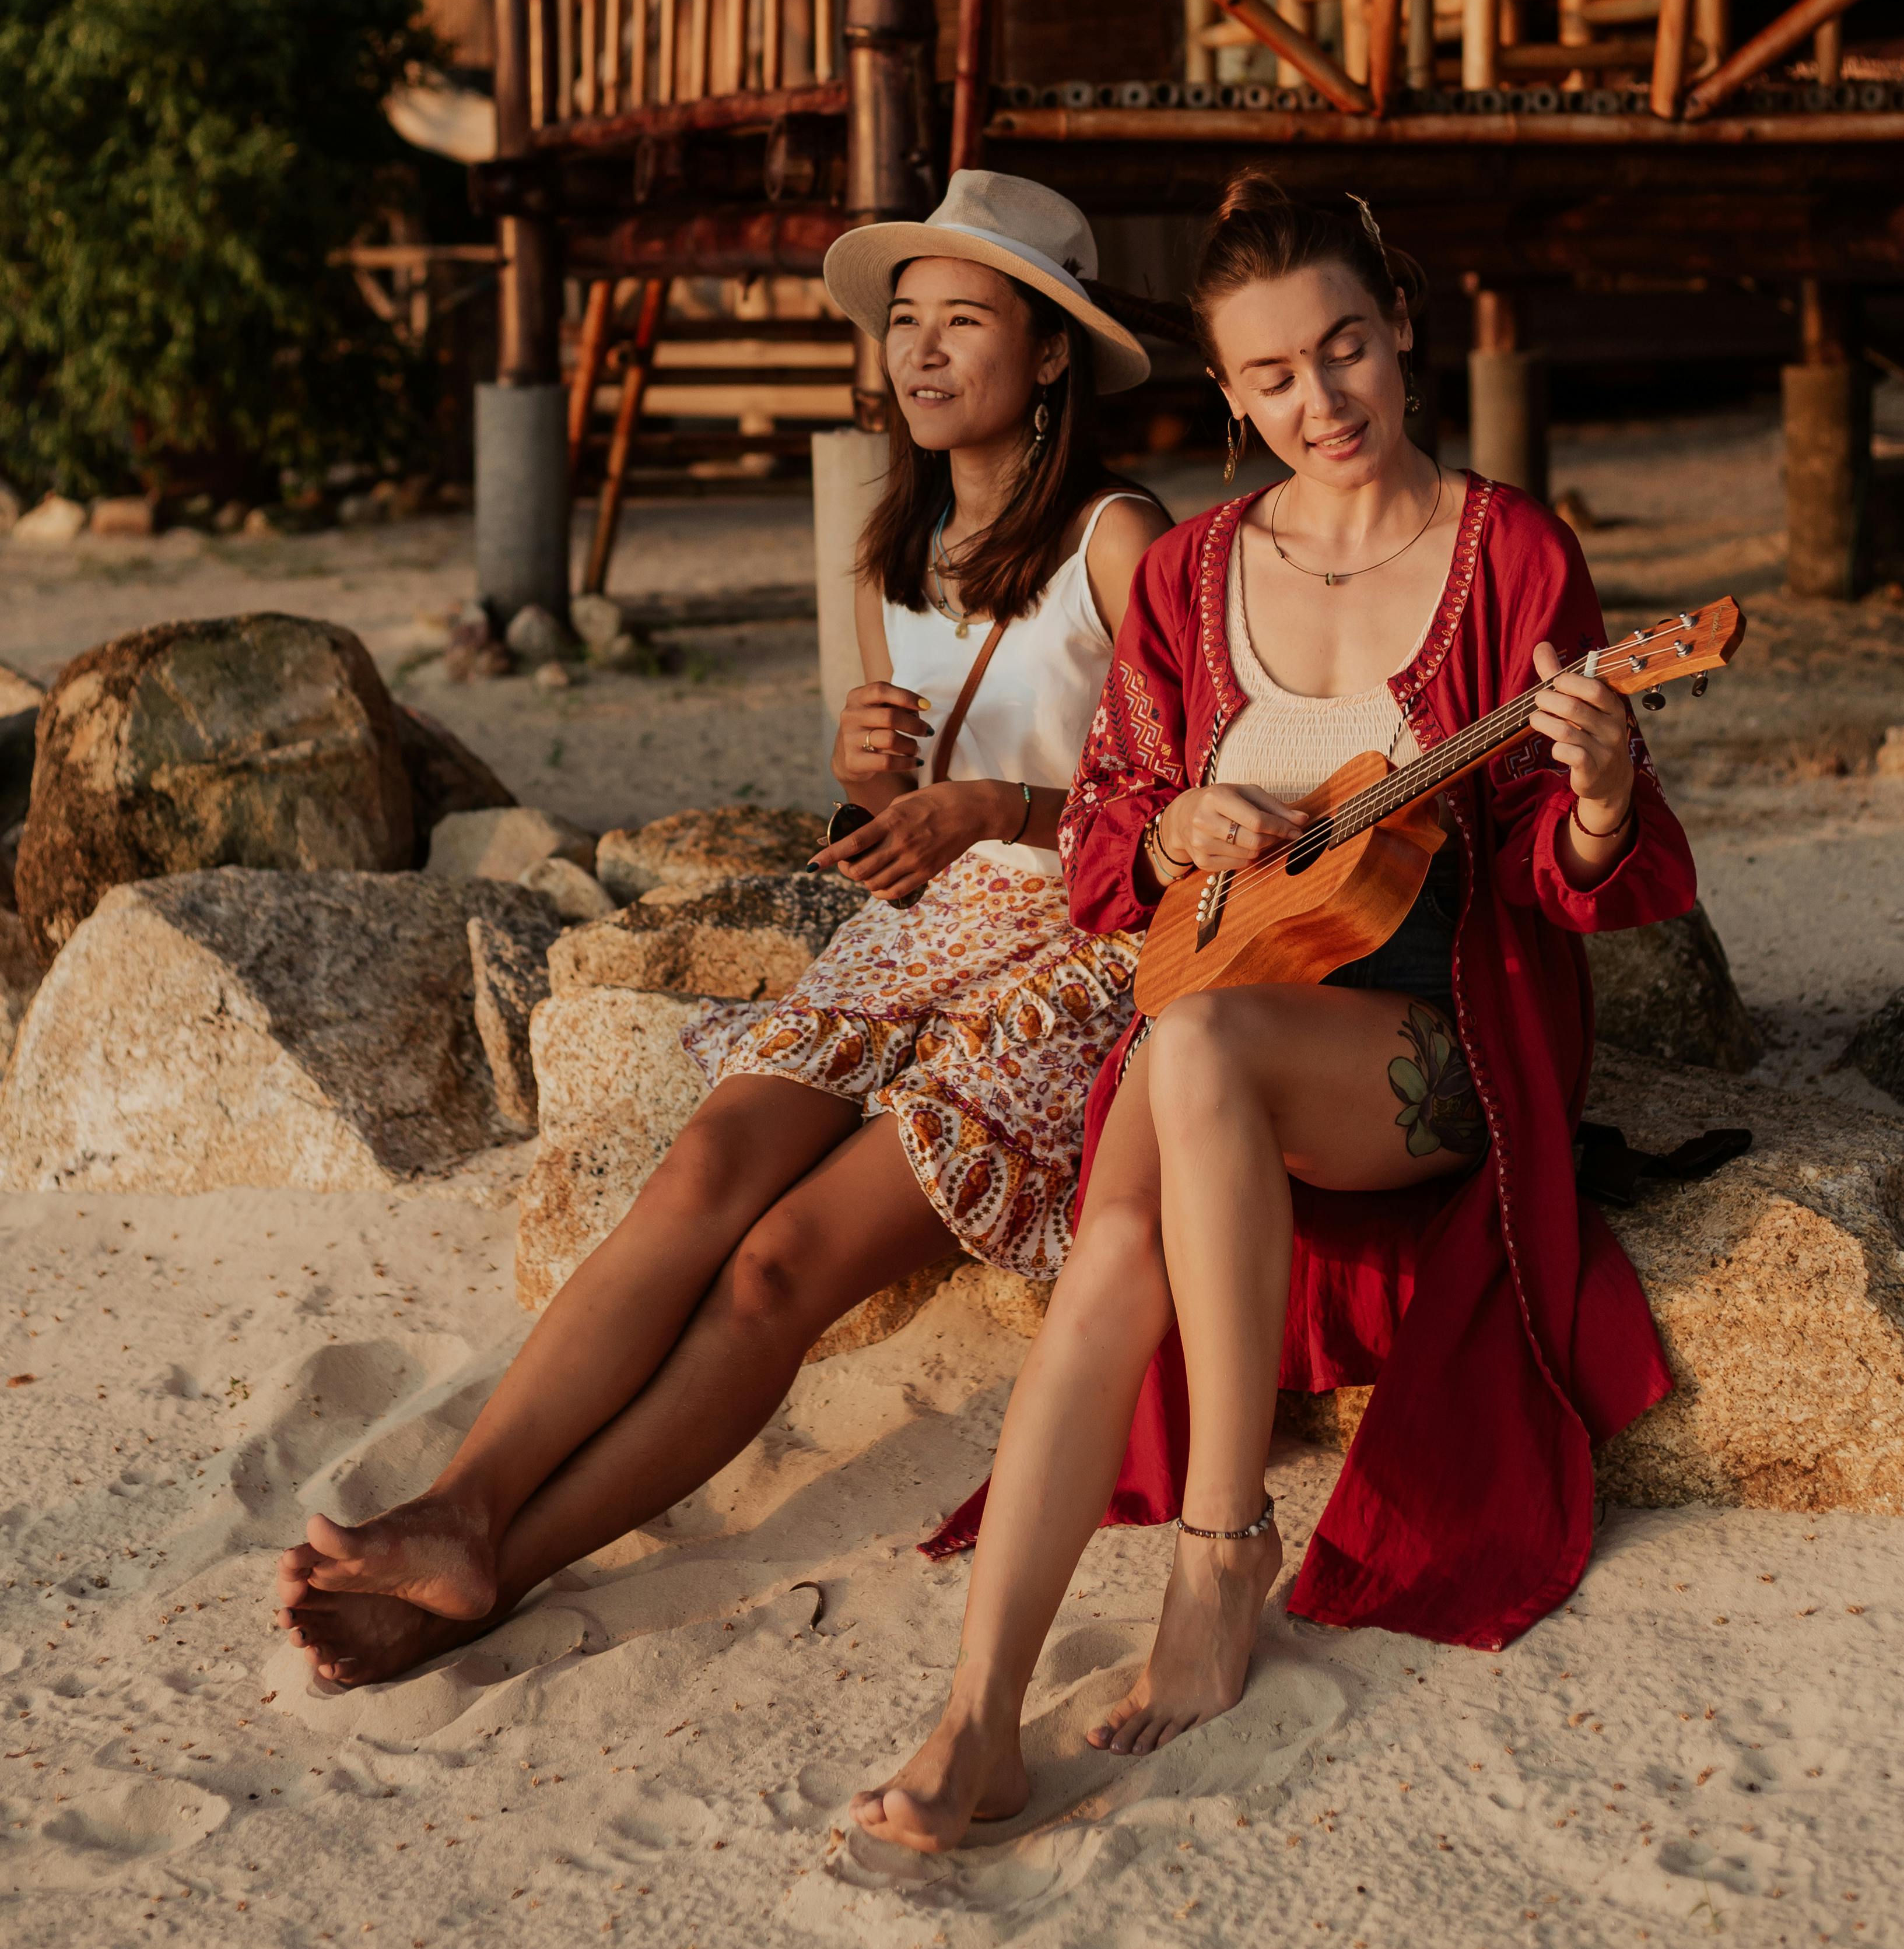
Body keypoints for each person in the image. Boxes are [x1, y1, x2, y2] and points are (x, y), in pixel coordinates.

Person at [852, 174, 1697, 1853]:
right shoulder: (1182, 575)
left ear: (1398, 333)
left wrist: (1596, 779)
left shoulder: (1509, 549)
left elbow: (1558, 868)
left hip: (1432, 1044)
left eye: (1345, 350)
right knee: (1117, 1229)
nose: (1322, 401)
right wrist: (1179, 827)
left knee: (1195, 1047)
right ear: (1228, 398)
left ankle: (1223, 1546)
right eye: (1275, 376)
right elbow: (1109, 834)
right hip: (1224, 1004)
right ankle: (973, 1720)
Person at [276, 171, 1172, 1684]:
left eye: (968, 321)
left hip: (1082, 956)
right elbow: (900, 812)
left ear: (1051, 353)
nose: (926, 352)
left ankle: (507, 1557)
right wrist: (869, 784)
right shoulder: (901, 543)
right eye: (907, 323)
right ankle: (458, 1503)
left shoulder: (1117, 539)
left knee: (778, 1266)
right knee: (702, 1165)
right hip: (930, 925)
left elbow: (1184, 818)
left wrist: (997, 813)